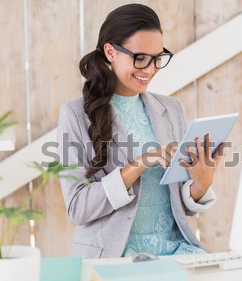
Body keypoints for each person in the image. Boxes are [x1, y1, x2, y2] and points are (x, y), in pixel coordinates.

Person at [57, 3, 225, 259]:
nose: (150, 69)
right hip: (118, 254)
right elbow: (78, 208)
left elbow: (179, 206)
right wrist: (139, 163)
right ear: (111, 52)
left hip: (174, 250)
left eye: (158, 58)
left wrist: (201, 183)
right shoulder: (76, 115)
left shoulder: (171, 108)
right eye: (140, 58)